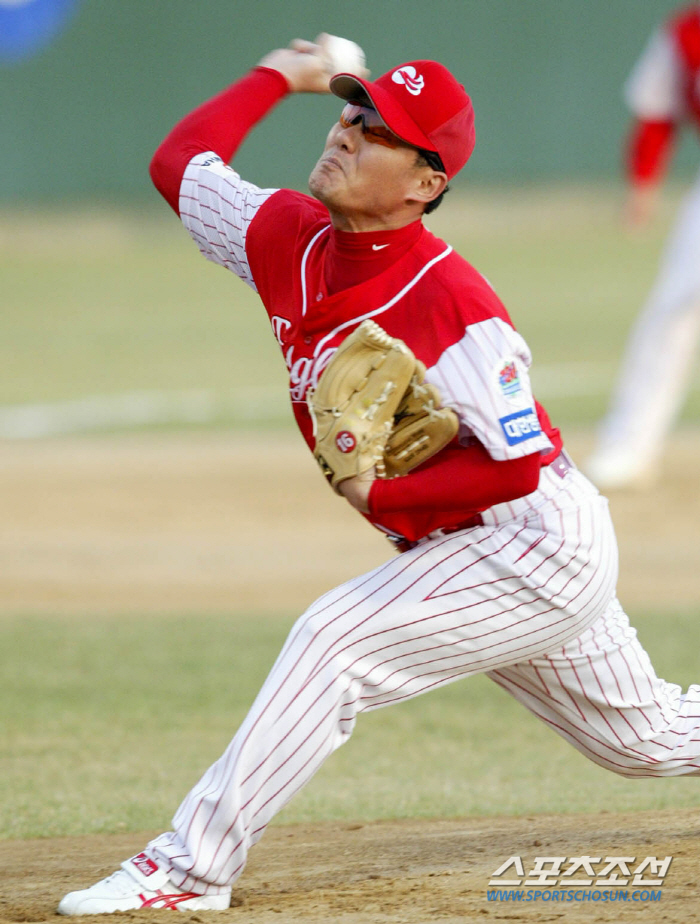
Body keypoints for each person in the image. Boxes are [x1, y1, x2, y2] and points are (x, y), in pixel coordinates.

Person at [59, 35, 700, 916]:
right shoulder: (284, 236)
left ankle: (187, 870)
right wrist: (281, 78)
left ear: (424, 183)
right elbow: (180, 165)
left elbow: (517, 469)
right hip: (476, 547)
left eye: (378, 129)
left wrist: (383, 497)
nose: (347, 130)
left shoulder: (452, 301)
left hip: (533, 547)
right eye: (350, 111)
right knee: (649, 738)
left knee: (335, 640)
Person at [584, 4, 700, 490]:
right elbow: (656, 112)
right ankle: (630, 443)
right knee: (674, 308)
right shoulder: (686, 33)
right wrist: (642, 184)